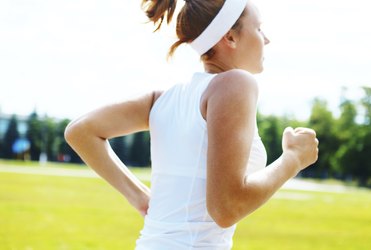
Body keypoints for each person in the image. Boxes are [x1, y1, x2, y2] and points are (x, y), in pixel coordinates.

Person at [64, 0, 319, 249]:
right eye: (259, 28)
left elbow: (81, 131)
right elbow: (226, 208)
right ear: (230, 37)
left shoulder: (164, 100)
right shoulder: (236, 83)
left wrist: (140, 198)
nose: (266, 39)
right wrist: (293, 160)